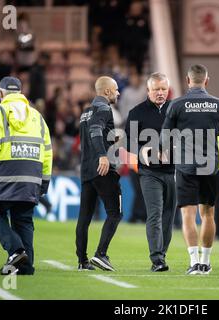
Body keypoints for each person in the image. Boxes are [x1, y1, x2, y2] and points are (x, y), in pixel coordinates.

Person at [0, 76, 52, 275]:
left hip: (4, 174)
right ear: (20, 92)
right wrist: (44, 182)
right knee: (24, 220)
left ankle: (16, 250)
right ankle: (25, 266)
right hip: (32, 176)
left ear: (1, 94)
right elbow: (47, 151)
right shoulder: (37, 116)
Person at [162, 64, 219, 275]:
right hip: (209, 164)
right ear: (206, 81)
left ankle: (194, 262)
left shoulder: (177, 104)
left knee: (188, 215)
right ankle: (206, 263)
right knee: (208, 213)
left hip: (185, 164)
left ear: (187, 81)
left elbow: (165, 134)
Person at [125, 72, 176, 272]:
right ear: (148, 90)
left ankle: (161, 253)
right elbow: (129, 142)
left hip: (172, 171)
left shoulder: (176, 109)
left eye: (164, 89)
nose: (160, 93)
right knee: (155, 214)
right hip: (149, 172)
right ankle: (157, 259)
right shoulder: (136, 113)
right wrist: (142, 151)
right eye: (156, 89)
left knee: (168, 216)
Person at [75, 76, 122, 271]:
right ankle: (101, 254)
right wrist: (103, 155)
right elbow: (95, 130)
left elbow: (89, 136)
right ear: (107, 91)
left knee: (84, 217)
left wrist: (110, 139)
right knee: (115, 213)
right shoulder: (104, 108)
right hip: (103, 169)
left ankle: (82, 261)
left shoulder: (86, 112)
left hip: (86, 170)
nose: (118, 93)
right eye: (116, 89)